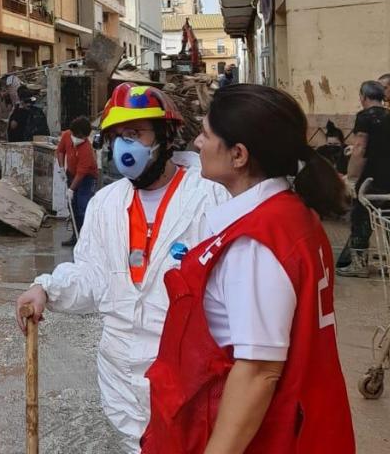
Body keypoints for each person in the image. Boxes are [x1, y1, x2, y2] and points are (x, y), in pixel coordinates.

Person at [14, 83, 228, 452]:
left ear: (166, 136)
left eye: (135, 134)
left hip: (189, 374)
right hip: (122, 374)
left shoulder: (210, 197)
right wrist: (45, 289)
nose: (124, 146)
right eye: (116, 136)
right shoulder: (105, 204)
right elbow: (93, 277)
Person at [142, 84, 355, 453]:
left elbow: (258, 372)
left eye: (206, 135)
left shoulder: (254, 244)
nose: (197, 145)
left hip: (265, 436)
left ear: (238, 155)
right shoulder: (292, 216)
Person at [338, 79, 390, 277]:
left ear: (363, 96)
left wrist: (352, 178)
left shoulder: (365, 117)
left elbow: (360, 149)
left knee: (361, 218)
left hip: (370, 179)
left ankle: (359, 265)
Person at [56, 116, 99, 245]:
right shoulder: (67, 135)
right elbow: (60, 151)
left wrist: (71, 189)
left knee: (83, 207)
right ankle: (76, 236)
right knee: (72, 206)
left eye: (82, 137)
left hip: (87, 179)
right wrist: (62, 168)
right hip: (71, 174)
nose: (79, 138)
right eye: (78, 135)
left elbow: (82, 173)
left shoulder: (86, 149)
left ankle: (87, 240)